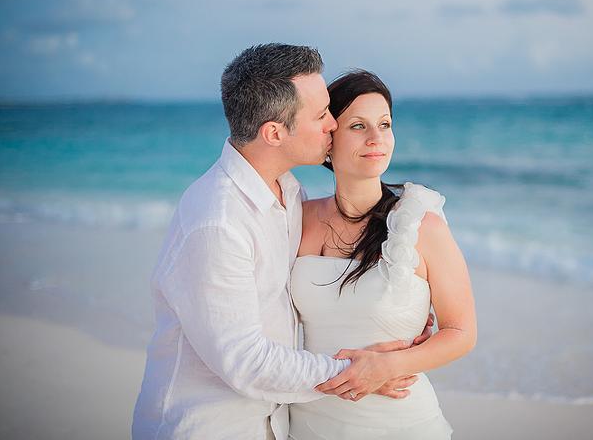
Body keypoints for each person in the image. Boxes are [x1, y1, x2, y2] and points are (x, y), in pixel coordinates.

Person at [132, 45, 419, 440]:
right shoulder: (218, 222)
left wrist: (398, 309)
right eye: (321, 115)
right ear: (274, 133)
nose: (333, 125)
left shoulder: (289, 194)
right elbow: (245, 360)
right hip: (210, 427)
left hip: (274, 423)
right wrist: (357, 373)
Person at [289, 70, 477, 439]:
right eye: (358, 125)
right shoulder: (299, 218)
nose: (376, 138)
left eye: (385, 124)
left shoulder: (422, 227)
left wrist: (387, 366)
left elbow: (462, 333)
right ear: (329, 137)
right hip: (309, 420)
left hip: (400, 424)